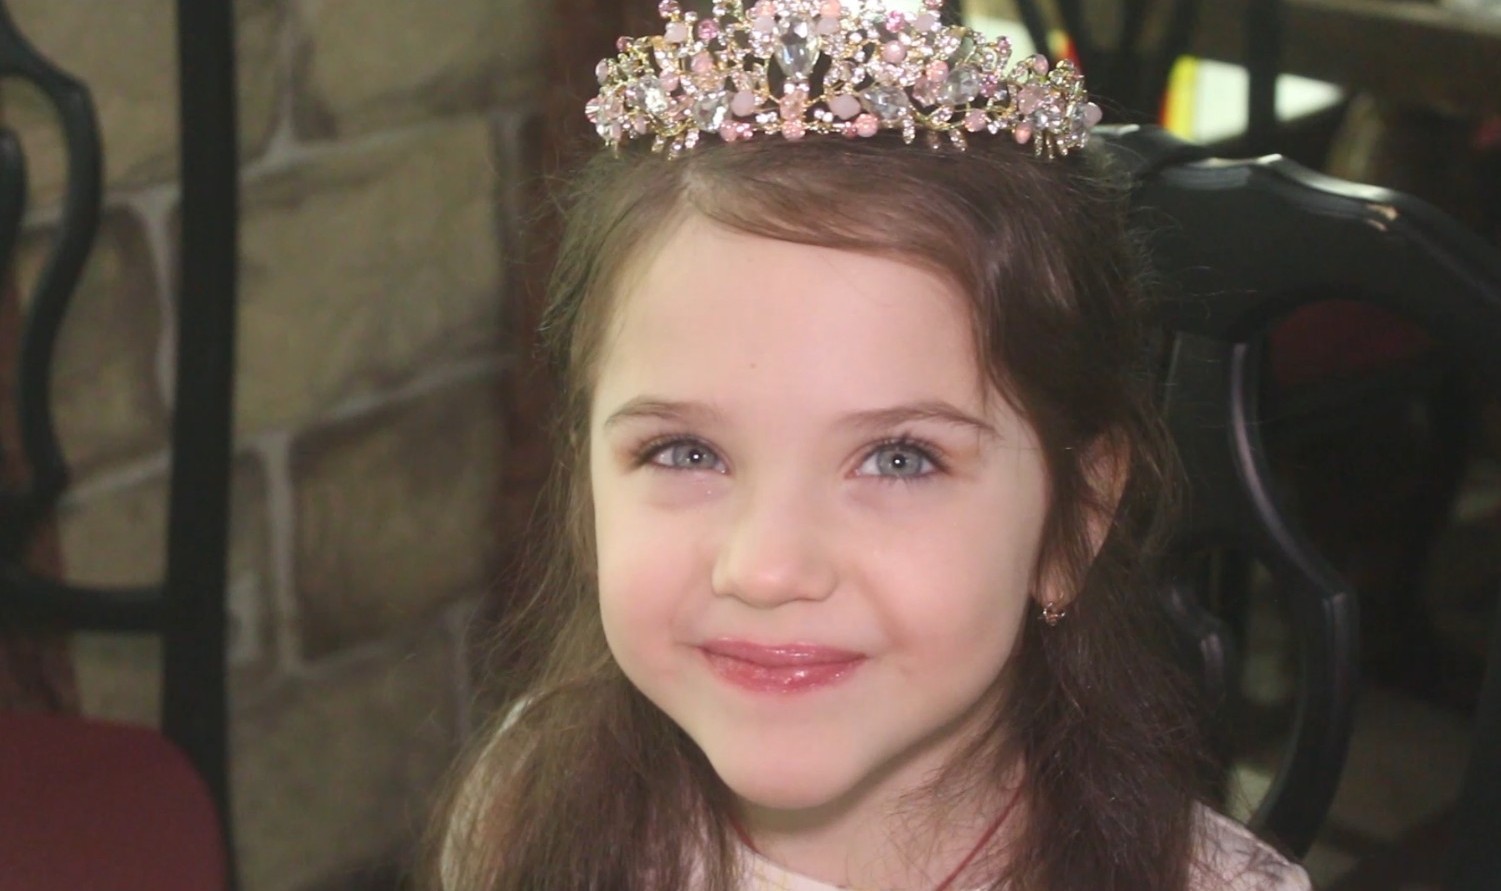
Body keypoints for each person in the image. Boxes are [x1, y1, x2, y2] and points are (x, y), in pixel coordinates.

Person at [428, 1, 1314, 888]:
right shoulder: (523, 805)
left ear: (1076, 516)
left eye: (899, 458)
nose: (767, 570)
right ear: (585, 484)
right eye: (685, 452)